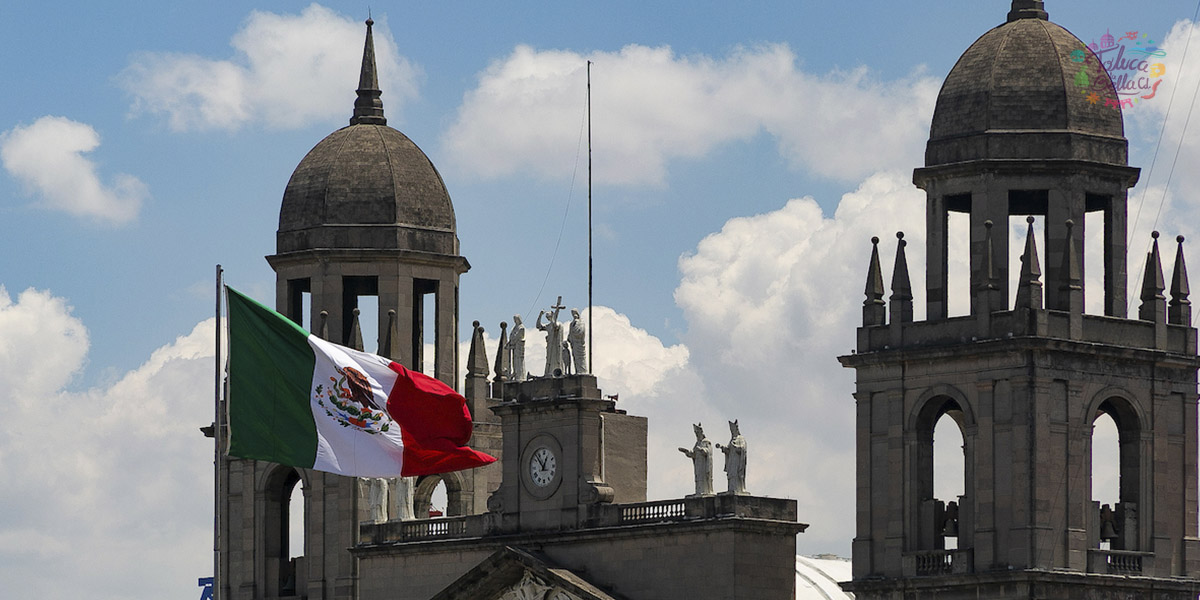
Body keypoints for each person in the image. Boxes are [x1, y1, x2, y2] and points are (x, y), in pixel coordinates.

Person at [678, 423, 714, 497]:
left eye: (697, 433)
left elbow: (709, 452)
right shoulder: (697, 443)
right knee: (698, 477)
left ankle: (705, 491)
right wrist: (687, 452)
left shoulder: (706, 442)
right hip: (698, 463)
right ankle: (699, 491)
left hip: (704, 464)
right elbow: (694, 454)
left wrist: (701, 450)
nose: (697, 435)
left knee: (703, 477)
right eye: (696, 433)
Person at [716, 420, 747, 495]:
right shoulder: (732, 440)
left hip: (737, 460)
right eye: (731, 430)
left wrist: (735, 447)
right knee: (731, 474)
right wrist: (723, 448)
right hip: (731, 460)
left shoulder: (741, 439)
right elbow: (728, 450)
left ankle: (737, 488)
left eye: (733, 430)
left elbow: (743, 449)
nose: (732, 431)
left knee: (736, 474)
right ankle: (732, 488)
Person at [568, 308, 587, 374]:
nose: (574, 315)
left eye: (574, 313)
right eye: (572, 313)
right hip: (574, 343)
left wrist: (575, 332)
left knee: (580, 357)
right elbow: (570, 333)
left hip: (579, 342)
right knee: (575, 357)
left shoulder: (581, 323)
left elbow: (581, 332)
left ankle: (582, 371)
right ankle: (577, 370)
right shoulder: (571, 324)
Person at [507, 315, 525, 381]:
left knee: (518, 361)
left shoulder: (521, 328)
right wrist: (509, 343)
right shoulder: (515, 328)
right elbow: (512, 336)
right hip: (514, 347)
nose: (515, 320)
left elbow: (517, 337)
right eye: (514, 319)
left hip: (518, 348)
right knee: (514, 361)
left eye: (516, 319)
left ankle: (519, 375)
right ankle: (515, 373)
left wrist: (512, 342)